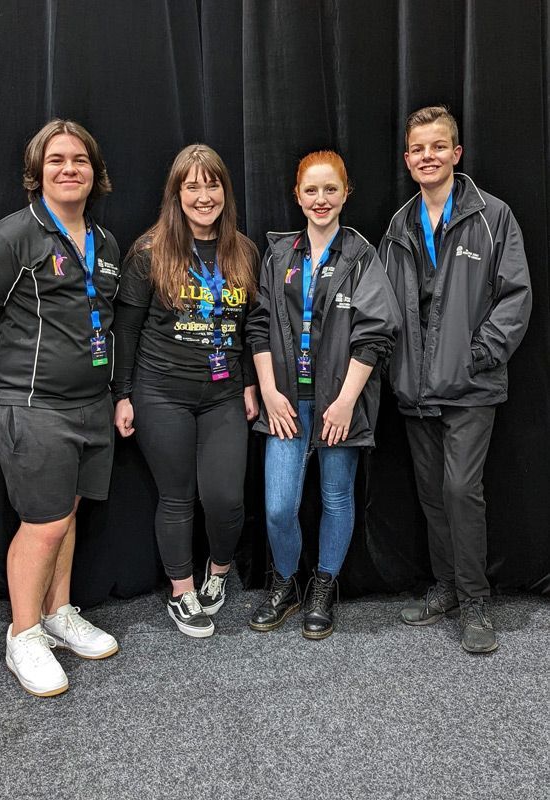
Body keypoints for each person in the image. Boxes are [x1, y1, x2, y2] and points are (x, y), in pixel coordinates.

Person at [0, 120, 120, 696]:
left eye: (80, 159)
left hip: (90, 404)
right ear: (37, 171)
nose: (69, 168)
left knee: (65, 513)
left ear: (95, 171)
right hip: (31, 406)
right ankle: (23, 634)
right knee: (43, 522)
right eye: (56, 160)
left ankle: (58, 613)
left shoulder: (107, 244)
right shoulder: (10, 239)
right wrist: (16, 376)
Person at [379, 106, 531, 653]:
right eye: (419, 149)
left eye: (438, 147)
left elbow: (515, 296)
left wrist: (479, 355)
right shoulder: (398, 224)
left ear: (456, 153)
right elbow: (384, 307)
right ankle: (444, 585)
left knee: (462, 491)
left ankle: (475, 601)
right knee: (431, 495)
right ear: (407, 158)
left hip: (470, 386)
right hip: (415, 388)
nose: (428, 156)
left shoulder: (494, 216)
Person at [246, 151, 401, 639]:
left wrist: (346, 401)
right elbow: (258, 324)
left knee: (336, 497)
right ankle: (286, 583)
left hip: (340, 402)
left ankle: (324, 586)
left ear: (345, 192)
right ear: (297, 195)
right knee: (278, 506)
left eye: (330, 189)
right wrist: (268, 391)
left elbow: (376, 332)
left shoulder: (361, 256)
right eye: (311, 190)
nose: (320, 199)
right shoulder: (278, 255)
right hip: (287, 401)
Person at [112, 144, 259, 638]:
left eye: (212, 184)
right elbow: (127, 329)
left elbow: (248, 327)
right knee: (176, 497)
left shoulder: (244, 250)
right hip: (161, 393)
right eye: (191, 185)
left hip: (223, 394)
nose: (203, 195)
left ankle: (218, 574)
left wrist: (252, 383)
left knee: (225, 499)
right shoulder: (149, 252)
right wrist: (123, 393)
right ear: (176, 193)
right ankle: (181, 591)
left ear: (225, 191)